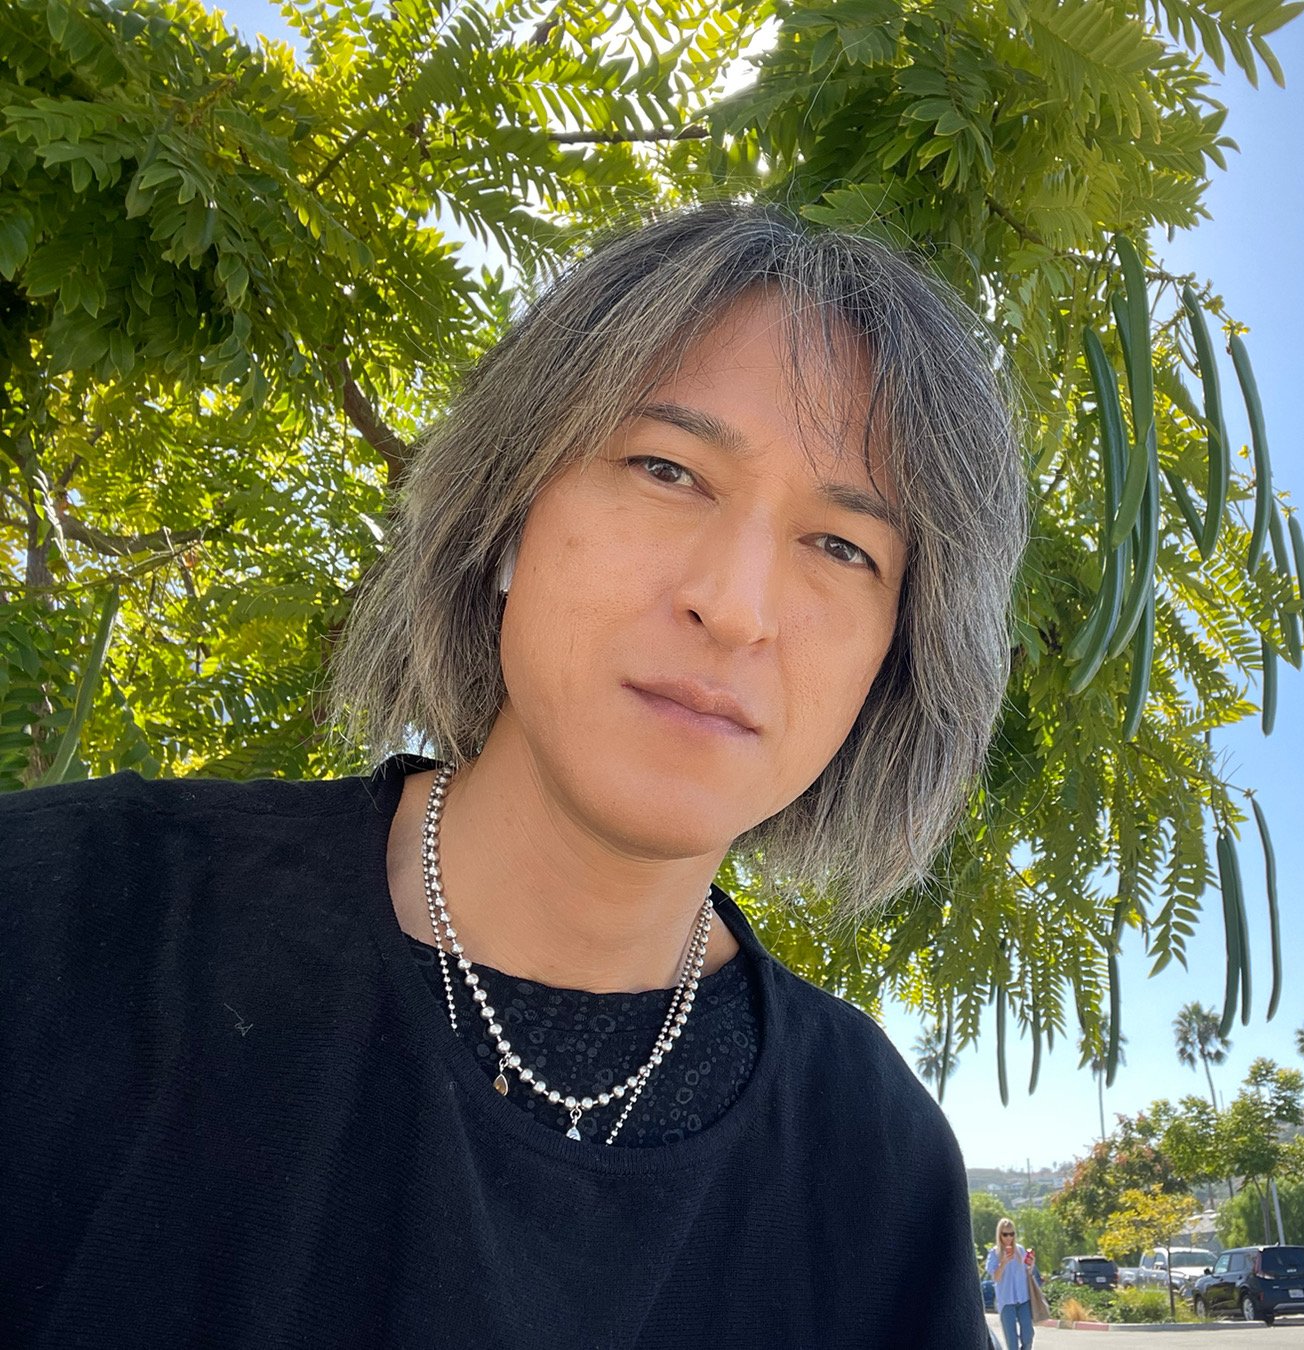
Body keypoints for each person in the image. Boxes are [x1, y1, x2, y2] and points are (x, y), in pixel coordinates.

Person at [0, 203, 1028, 1347]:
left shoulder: (875, 1164)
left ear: (895, 658)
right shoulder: (64, 920)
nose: (736, 607)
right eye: (668, 469)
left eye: (843, 546)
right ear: (507, 512)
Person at [985, 1218, 1040, 1349]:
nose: (1009, 1238)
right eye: (1005, 1234)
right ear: (1000, 1235)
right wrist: (1003, 1262)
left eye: (1012, 1234)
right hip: (1006, 1301)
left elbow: (1027, 1272)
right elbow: (995, 1278)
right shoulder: (995, 1253)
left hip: (1023, 1299)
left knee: (1028, 1336)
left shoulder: (1020, 1250)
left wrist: (1031, 1264)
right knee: (1012, 1342)